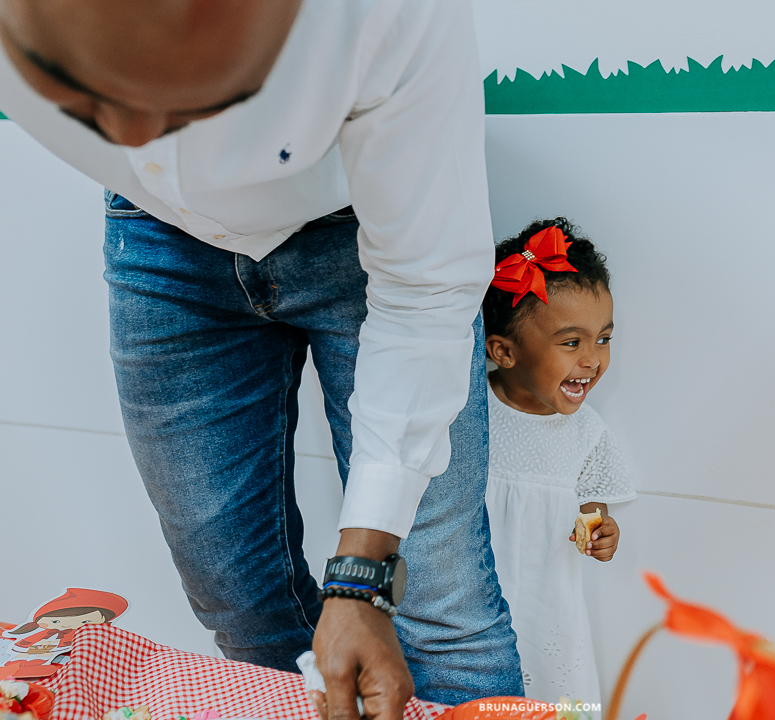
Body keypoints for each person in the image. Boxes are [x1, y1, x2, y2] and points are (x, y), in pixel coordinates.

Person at [0, 1, 523, 718]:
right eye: (78, 97)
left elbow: (426, 293)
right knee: (237, 599)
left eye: (204, 108)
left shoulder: (389, 14)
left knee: (441, 601)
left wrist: (361, 580)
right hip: (156, 233)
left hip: (361, 227)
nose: (137, 138)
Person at [481, 218, 636, 705]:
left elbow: (592, 511)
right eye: (572, 342)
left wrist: (601, 531)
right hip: (470, 611)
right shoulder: (468, 414)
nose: (593, 360)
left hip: (548, 614)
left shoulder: (588, 434)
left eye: (603, 339)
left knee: (552, 698)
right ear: (504, 351)